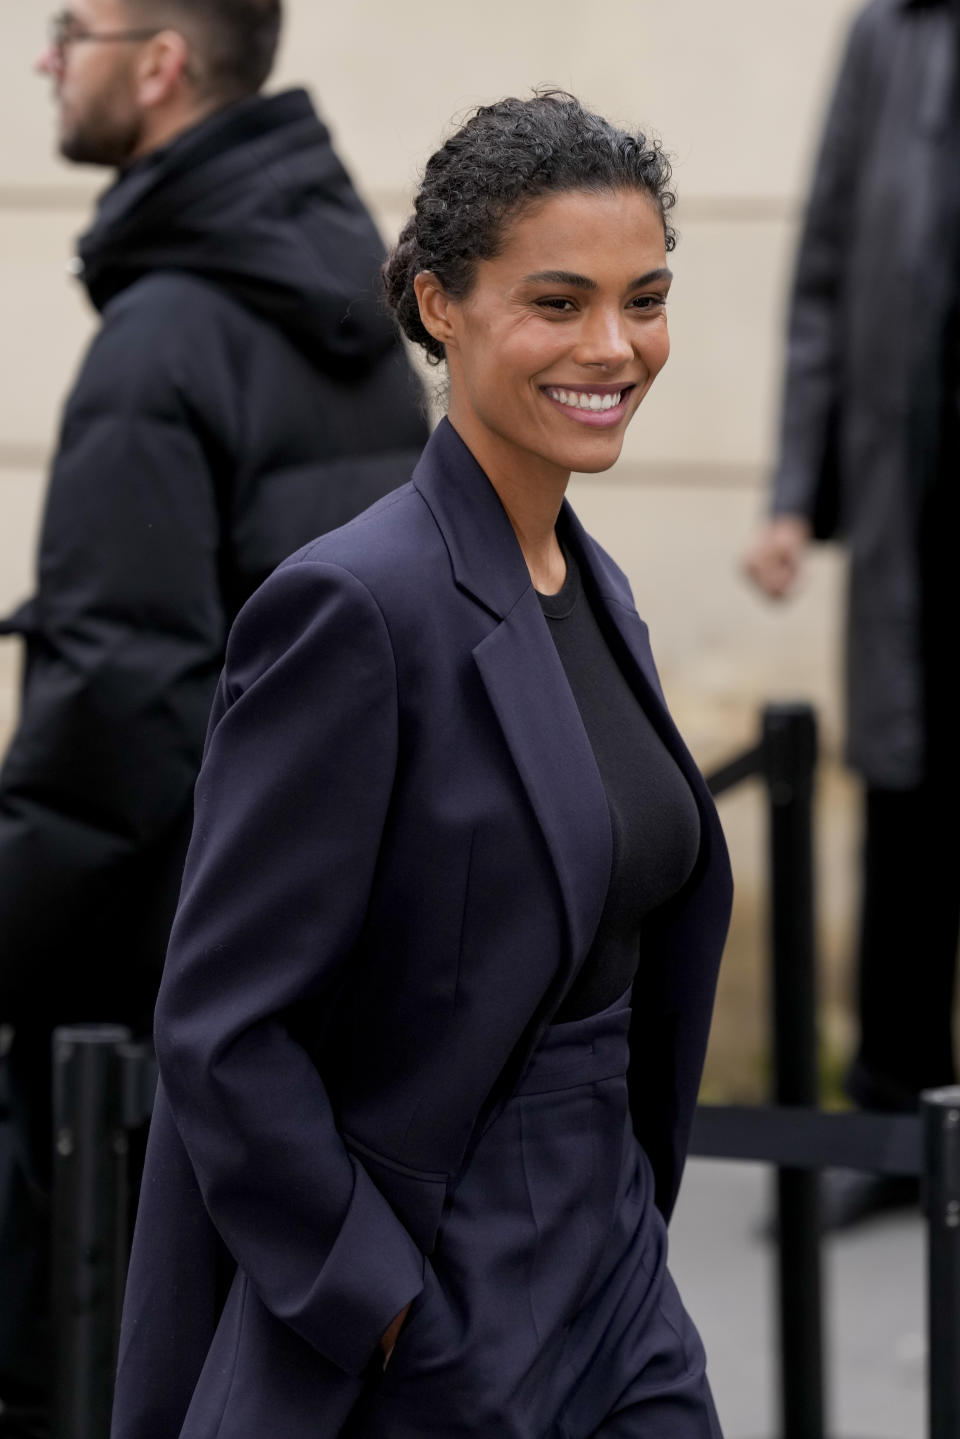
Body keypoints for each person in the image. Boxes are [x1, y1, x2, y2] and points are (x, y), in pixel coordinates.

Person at [111, 92, 733, 1439]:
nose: (614, 346)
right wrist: (385, 1303)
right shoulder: (353, 606)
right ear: (441, 306)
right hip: (438, 1300)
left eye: (646, 298)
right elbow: (222, 1027)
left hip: (616, 1269)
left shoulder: (595, 584)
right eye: (558, 302)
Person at [0, 1, 427, 1429]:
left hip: (165, 1005)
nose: (50, 56)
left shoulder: (166, 334)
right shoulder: (349, 293)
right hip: (328, 966)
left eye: (74, 27)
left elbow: (117, 727)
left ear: (163, 61)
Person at [742, 0, 960, 1225]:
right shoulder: (889, 34)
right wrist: (791, 496)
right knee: (907, 801)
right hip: (911, 503)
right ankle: (892, 1119)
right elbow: (823, 272)